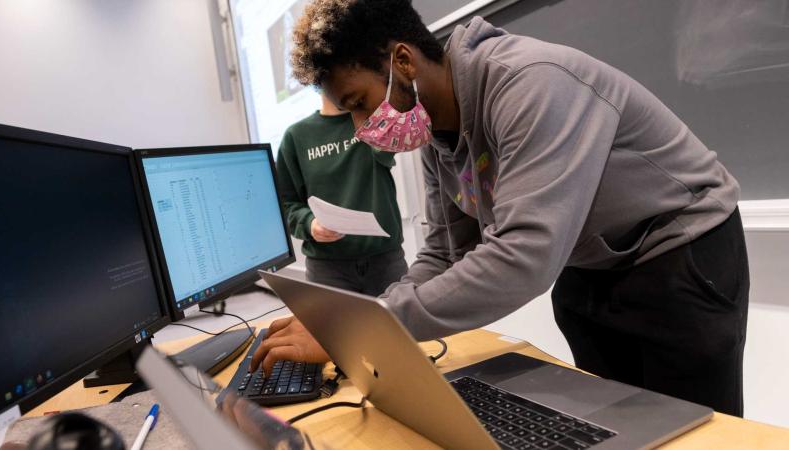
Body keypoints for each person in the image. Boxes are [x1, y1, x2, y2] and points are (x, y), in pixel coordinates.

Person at [253, 0, 749, 417]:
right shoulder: (436, 136)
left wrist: (359, 328)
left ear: (403, 61)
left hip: (681, 255)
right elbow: (446, 254)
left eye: (359, 102)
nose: (362, 127)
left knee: (698, 431)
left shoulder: (531, 82)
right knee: (625, 423)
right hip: (592, 261)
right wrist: (364, 316)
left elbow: (524, 256)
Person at [276, 93, 408, 296]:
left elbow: (399, 140)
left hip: (386, 261)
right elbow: (285, 204)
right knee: (333, 329)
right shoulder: (296, 136)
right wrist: (309, 223)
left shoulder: (372, 120)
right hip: (328, 269)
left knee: (400, 326)